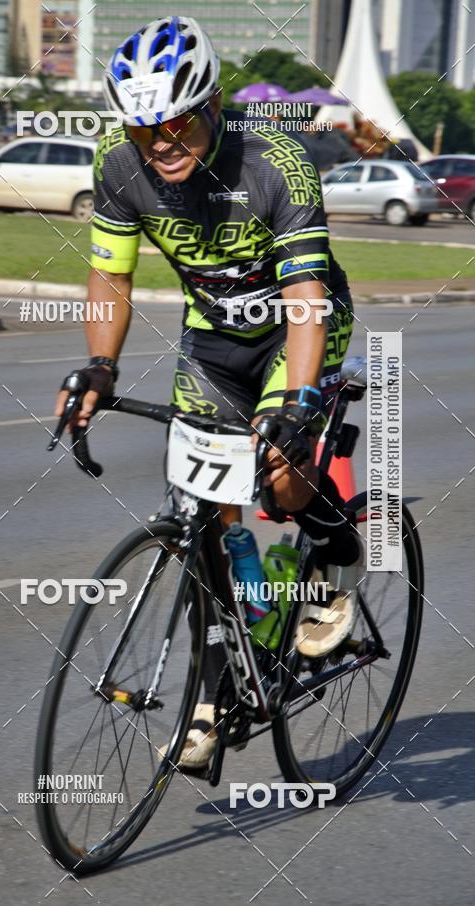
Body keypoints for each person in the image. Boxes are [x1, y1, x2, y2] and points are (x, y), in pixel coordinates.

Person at [55, 16, 364, 769]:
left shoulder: (275, 164)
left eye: (177, 124)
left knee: (280, 474)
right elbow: (110, 272)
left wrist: (293, 408)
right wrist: (101, 365)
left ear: (215, 105)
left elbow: (306, 297)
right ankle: (212, 694)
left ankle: (334, 547)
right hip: (215, 342)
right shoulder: (117, 164)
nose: (160, 143)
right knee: (202, 520)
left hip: (298, 327)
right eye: (142, 128)